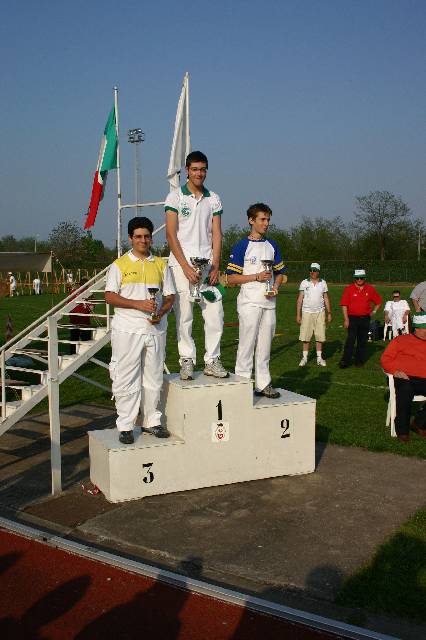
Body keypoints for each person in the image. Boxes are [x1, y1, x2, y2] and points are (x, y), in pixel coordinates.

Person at [105, 216, 175, 445]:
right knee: (126, 377)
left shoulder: (161, 264)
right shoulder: (119, 265)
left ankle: (152, 421)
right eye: (138, 236)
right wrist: (137, 304)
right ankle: (125, 425)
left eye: (146, 236)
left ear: (151, 238)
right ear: (130, 238)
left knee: (154, 377)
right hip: (127, 330)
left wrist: (161, 312)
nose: (143, 240)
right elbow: (110, 296)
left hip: (155, 330)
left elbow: (170, 296)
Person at [165, 150, 228, 381]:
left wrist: (216, 265)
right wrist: (185, 267)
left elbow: (217, 234)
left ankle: (212, 360)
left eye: (202, 169)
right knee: (184, 315)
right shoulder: (175, 197)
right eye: (194, 169)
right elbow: (171, 235)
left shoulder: (214, 198)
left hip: (208, 266)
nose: (199, 173)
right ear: (187, 171)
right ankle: (187, 360)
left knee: (215, 313)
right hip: (181, 265)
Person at [225, 203, 286, 398]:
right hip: (249, 302)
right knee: (246, 345)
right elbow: (230, 278)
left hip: (269, 304)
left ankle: (263, 384)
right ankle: (242, 386)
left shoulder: (272, 245)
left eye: (268, 220)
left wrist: (276, 287)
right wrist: (256, 277)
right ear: (251, 220)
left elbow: (280, 273)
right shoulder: (242, 245)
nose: (266, 223)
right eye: (262, 219)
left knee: (265, 347)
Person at [381, 312, 426, 443]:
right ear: (417, 328)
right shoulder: (401, 340)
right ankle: (402, 430)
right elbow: (385, 359)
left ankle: (419, 423)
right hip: (404, 377)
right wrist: (395, 371)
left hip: (423, 379)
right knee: (405, 390)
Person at [339, 269, 382, 368]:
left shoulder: (370, 289)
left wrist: (374, 311)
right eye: (357, 278)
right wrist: (346, 319)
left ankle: (359, 361)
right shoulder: (348, 289)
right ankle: (345, 361)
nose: (359, 280)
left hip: (365, 318)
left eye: (361, 278)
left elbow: (378, 301)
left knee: (362, 341)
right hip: (352, 318)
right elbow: (344, 305)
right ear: (354, 278)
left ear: (364, 278)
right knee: (350, 340)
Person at [296, 263, 332, 367]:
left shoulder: (323, 283)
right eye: (310, 270)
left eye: (314, 270)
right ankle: (305, 358)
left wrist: (329, 313)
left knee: (320, 336)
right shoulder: (304, 282)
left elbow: (326, 298)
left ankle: (319, 358)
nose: (312, 272)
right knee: (305, 336)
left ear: (318, 272)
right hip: (306, 312)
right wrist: (298, 315)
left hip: (320, 312)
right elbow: (300, 299)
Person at [69, 278, 93, 353]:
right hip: (84, 320)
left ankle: (73, 353)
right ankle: (85, 354)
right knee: (86, 339)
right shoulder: (89, 293)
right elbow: (91, 307)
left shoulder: (73, 292)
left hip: (73, 319)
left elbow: (67, 304)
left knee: (74, 338)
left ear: (80, 284)